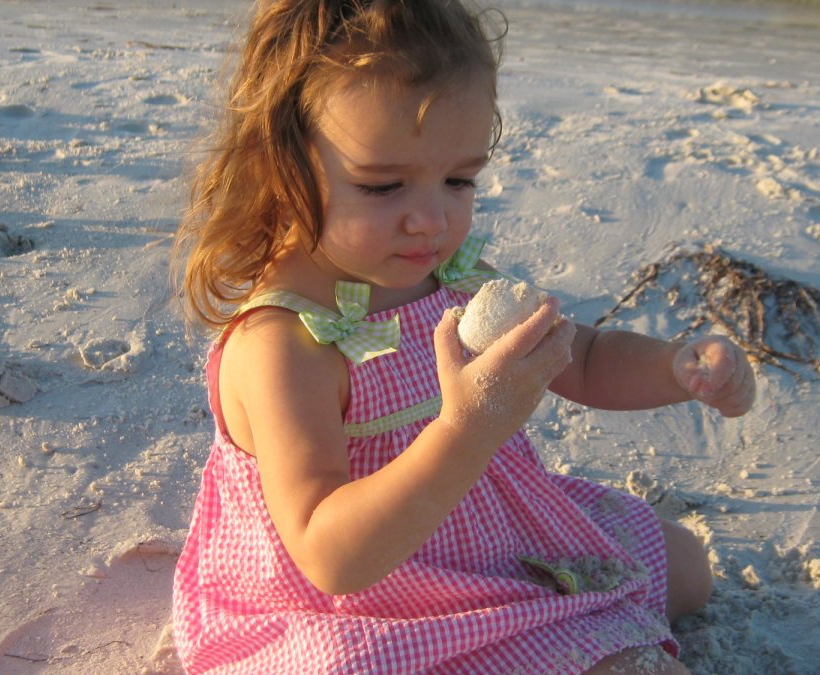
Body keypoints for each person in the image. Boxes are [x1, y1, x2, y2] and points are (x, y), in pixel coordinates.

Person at [170, 1, 756, 672]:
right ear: (282, 167)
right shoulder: (286, 342)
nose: (430, 219)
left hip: (488, 532)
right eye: (383, 186)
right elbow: (330, 553)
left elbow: (582, 358)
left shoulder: (450, 278)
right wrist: (466, 431)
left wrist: (676, 366)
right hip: (371, 591)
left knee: (687, 567)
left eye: (459, 180)